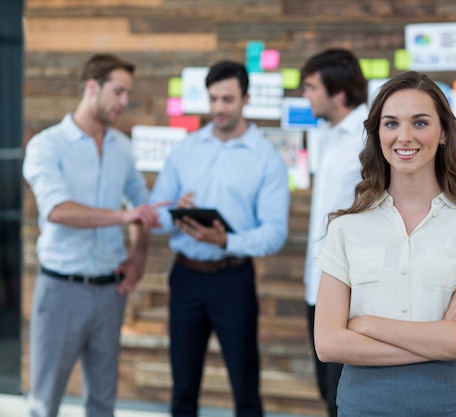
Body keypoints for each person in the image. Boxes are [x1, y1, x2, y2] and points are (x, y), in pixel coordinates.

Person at [314, 71, 456, 417]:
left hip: (451, 404)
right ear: (378, 135)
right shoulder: (346, 228)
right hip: (365, 404)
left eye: (420, 123)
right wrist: (438, 340)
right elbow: (329, 344)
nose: (404, 137)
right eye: (391, 124)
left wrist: (367, 325)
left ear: (444, 135)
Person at [23, 53, 163, 417]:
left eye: (127, 93)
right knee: (44, 401)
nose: (124, 101)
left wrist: (139, 259)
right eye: (118, 92)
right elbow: (57, 210)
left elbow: (141, 205)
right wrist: (124, 215)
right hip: (60, 293)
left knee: (103, 401)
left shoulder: (122, 146)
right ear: (92, 87)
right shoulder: (47, 145)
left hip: (109, 292)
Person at [149, 61, 290, 417]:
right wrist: (173, 211)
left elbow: (274, 233)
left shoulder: (266, 158)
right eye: (213, 99)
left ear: (246, 98)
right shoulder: (185, 149)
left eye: (227, 99)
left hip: (233, 279)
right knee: (183, 388)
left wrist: (224, 241)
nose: (219, 108)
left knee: (245, 389)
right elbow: (155, 217)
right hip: (185, 279)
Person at [299, 48, 368, 417]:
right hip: (316, 285)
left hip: (349, 291)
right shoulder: (327, 136)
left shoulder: (367, 140)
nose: (305, 95)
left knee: (346, 398)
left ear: (338, 92)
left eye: (311, 87)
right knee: (328, 393)